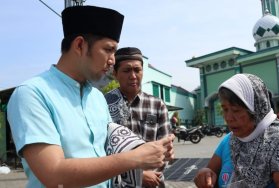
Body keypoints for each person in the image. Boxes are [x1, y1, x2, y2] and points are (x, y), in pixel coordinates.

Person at [7, 5, 174, 188]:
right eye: (108, 50)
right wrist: (135, 158)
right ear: (80, 45)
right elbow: (54, 173)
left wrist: (149, 150)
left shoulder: (97, 97)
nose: (112, 60)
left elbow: (109, 151)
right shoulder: (32, 94)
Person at [194, 73, 279, 188]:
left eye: (236, 110)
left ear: (256, 109)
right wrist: (205, 174)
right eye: (225, 109)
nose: (228, 117)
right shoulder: (230, 140)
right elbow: (210, 170)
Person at [105, 47, 171, 187]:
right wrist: (137, 176)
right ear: (115, 73)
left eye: (137, 70)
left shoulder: (157, 105)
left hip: (154, 182)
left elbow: (165, 148)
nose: (133, 76)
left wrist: (150, 174)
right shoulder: (104, 104)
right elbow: (102, 151)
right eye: (127, 70)